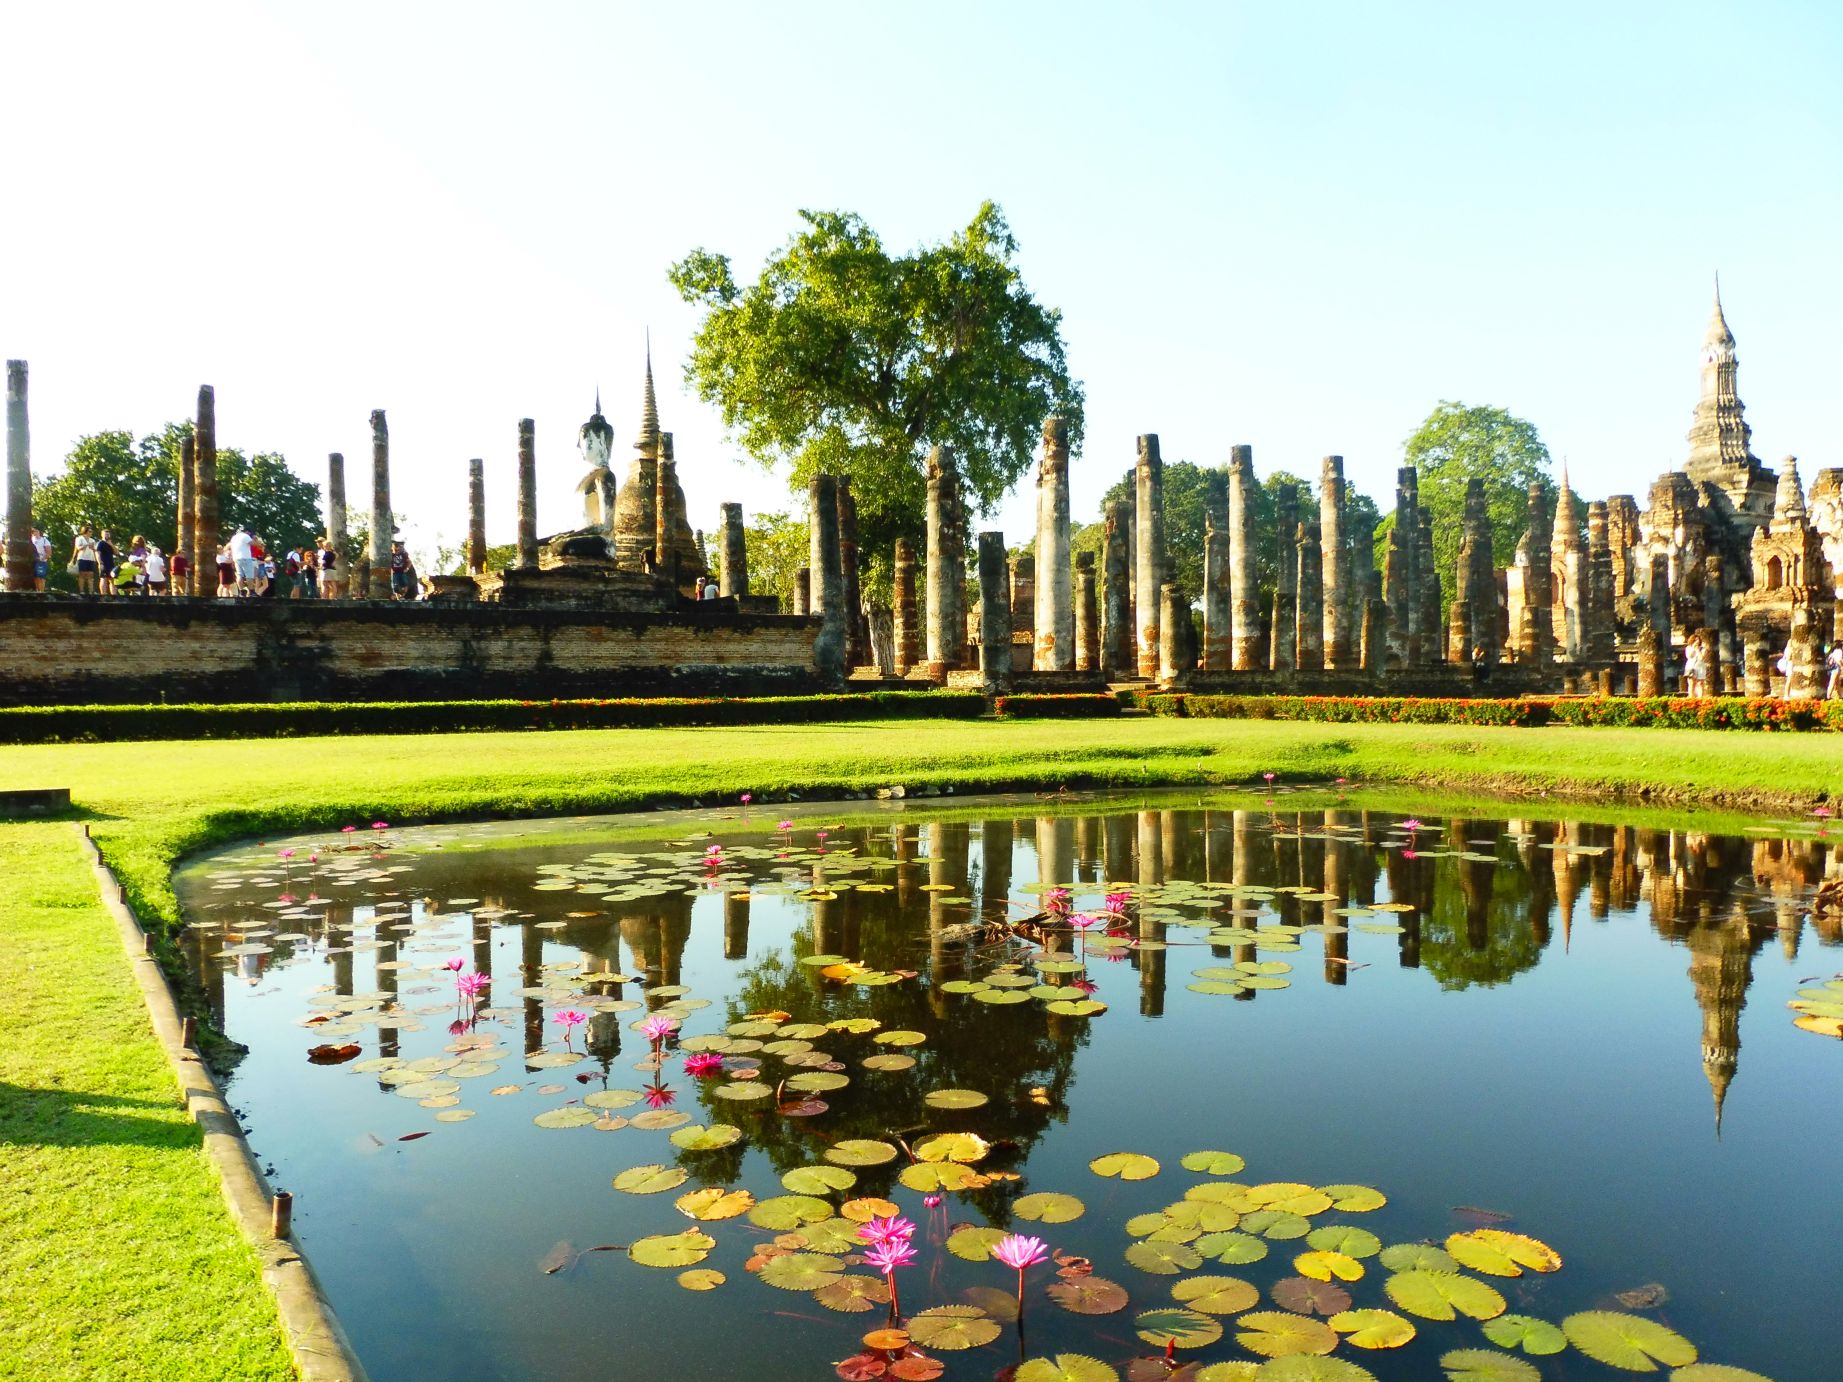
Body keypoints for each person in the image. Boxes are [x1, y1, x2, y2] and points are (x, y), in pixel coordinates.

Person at [71, 524, 99, 594]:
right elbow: (78, 548)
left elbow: (95, 549)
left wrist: (93, 548)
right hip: (82, 558)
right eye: (89, 531)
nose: (91, 533)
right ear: (85, 531)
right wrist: (87, 545)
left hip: (91, 558)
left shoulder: (92, 540)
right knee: (82, 574)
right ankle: (82, 591)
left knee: (90, 574)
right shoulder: (79, 538)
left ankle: (91, 591)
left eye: (91, 531)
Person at [229, 526, 257, 596]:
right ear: (246, 532)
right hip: (245, 558)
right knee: (249, 575)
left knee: (239, 575)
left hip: (236, 558)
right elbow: (254, 544)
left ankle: (241, 591)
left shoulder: (234, 538)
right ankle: (251, 591)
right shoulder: (245, 536)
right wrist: (254, 538)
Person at [96, 528, 117, 595]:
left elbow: (116, 553)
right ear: (102, 535)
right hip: (103, 563)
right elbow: (98, 553)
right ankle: (103, 594)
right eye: (105, 534)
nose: (107, 535)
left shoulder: (110, 544)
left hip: (111, 564)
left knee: (112, 579)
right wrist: (100, 563)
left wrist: (111, 545)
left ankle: (113, 595)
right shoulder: (100, 543)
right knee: (103, 579)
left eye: (108, 534)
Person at [29, 526, 49, 590]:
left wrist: (41, 559)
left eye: (34, 531)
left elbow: (48, 553)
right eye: (32, 531)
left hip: (41, 562)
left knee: (40, 577)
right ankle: (37, 591)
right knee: (35, 578)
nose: (33, 532)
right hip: (33, 561)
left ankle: (41, 592)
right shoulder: (30, 540)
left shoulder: (44, 540)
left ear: (38, 531)